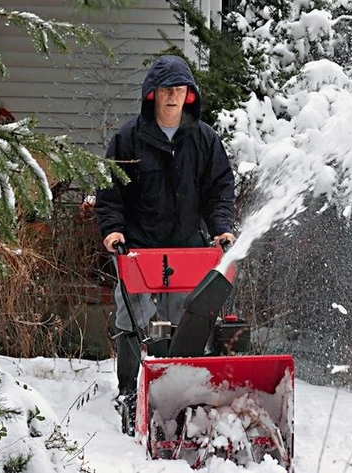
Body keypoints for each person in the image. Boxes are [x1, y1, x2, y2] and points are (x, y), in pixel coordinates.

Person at [94, 55, 236, 434]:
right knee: (131, 320)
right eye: (167, 90)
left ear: (189, 96)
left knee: (185, 320)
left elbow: (219, 191)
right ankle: (128, 393)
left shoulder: (204, 139)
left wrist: (221, 228)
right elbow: (110, 193)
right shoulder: (128, 138)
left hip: (188, 247)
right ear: (152, 95)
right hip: (139, 248)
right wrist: (113, 230)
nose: (174, 96)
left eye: (181, 90)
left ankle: (180, 394)